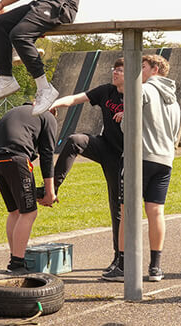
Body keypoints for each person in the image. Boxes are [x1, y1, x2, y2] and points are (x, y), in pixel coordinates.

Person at [102, 54, 181, 283]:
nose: (139, 71)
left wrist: (125, 118)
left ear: (155, 69)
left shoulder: (142, 90)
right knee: (156, 212)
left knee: (128, 211)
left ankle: (124, 266)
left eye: (143, 66)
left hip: (140, 157)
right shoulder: (173, 100)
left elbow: (129, 125)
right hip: (165, 159)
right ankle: (155, 267)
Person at [49, 58, 125, 271]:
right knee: (75, 140)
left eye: (120, 70)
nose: (115, 73)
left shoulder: (141, 93)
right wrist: (53, 104)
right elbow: (75, 99)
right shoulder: (106, 91)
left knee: (117, 208)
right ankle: (51, 189)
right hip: (105, 146)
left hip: (124, 157)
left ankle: (120, 257)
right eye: (115, 69)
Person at [0, 103, 59, 274]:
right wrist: (50, 192)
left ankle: (14, 258)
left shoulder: (18, 110)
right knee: (29, 212)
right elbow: (47, 155)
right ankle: (17, 264)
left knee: (16, 211)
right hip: (15, 157)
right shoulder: (48, 117)